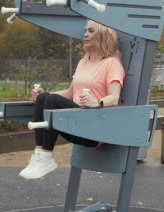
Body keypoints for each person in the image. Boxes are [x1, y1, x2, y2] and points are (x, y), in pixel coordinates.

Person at [19, 20, 125, 180]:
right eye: (85, 31)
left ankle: (46, 157)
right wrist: (45, 95)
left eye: (91, 31)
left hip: (93, 129)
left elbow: (114, 98)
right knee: (43, 97)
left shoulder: (112, 64)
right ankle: (40, 154)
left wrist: (97, 103)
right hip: (76, 122)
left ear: (103, 36)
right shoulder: (83, 62)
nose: (85, 34)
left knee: (52, 100)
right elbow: (70, 93)